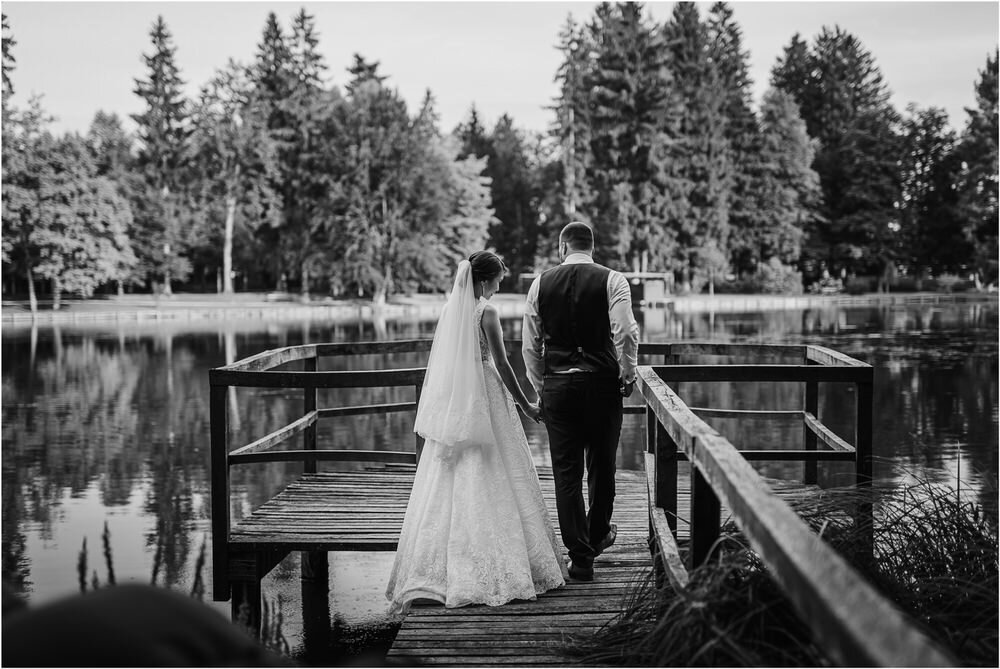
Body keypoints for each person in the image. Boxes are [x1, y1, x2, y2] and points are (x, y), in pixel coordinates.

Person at [386, 251, 566, 613]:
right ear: (484, 280)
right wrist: (526, 404)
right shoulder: (487, 312)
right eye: (499, 278)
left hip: (458, 397)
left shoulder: (451, 310)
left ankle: (437, 570)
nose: (501, 285)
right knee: (495, 466)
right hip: (485, 392)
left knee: (451, 471)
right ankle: (499, 567)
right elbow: (500, 362)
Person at [522, 222, 640, 582]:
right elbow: (626, 332)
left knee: (566, 474)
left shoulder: (540, 283)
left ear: (562, 247)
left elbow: (530, 345)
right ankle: (597, 533)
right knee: (602, 466)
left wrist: (543, 387)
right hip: (602, 386)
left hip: (558, 386)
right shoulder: (613, 279)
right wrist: (628, 373)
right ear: (592, 246)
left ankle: (581, 557)